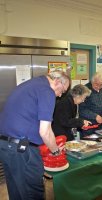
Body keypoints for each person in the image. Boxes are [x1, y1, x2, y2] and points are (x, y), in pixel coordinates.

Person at [0, 70, 70, 200]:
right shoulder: (46, 90)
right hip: (22, 149)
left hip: (5, 146)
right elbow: (45, 131)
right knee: (32, 192)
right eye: (63, 91)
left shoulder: (31, 84)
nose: (60, 95)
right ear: (57, 82)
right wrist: (55, 151)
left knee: (17, 190)